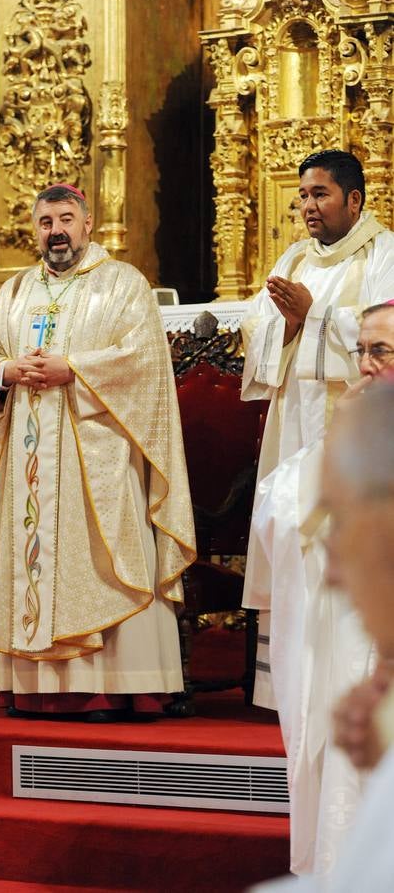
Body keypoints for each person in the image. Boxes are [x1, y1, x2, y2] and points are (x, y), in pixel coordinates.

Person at [0, 183, 196, 721]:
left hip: (98, 455)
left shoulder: (122, 285)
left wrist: (75, 370)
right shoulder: (16, 291)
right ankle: (36, 687)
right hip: (30, 455)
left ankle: (115, 685)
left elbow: (143, 364)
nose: (57, 232)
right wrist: (6, 370)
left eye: (66, 219)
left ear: (88, 223)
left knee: (102, 558)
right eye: (46, 222)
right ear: (35, 229)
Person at [240, 149, 394, 874]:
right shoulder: (293, 257)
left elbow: (384, 338)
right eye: (302, 194)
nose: (308, 206)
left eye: (321, 194)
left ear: (355, 199)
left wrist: (318, 317)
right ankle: (298, 684)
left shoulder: (387, 252)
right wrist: (286, 322)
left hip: (363, 445)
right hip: (299, 433)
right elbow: (258, 340)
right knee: (295, 533)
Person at [250, 380, 394, 892]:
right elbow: (281, 510)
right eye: (363, 352)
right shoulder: (329, 454)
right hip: (337, 646)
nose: (368, 367)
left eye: (383, 350)